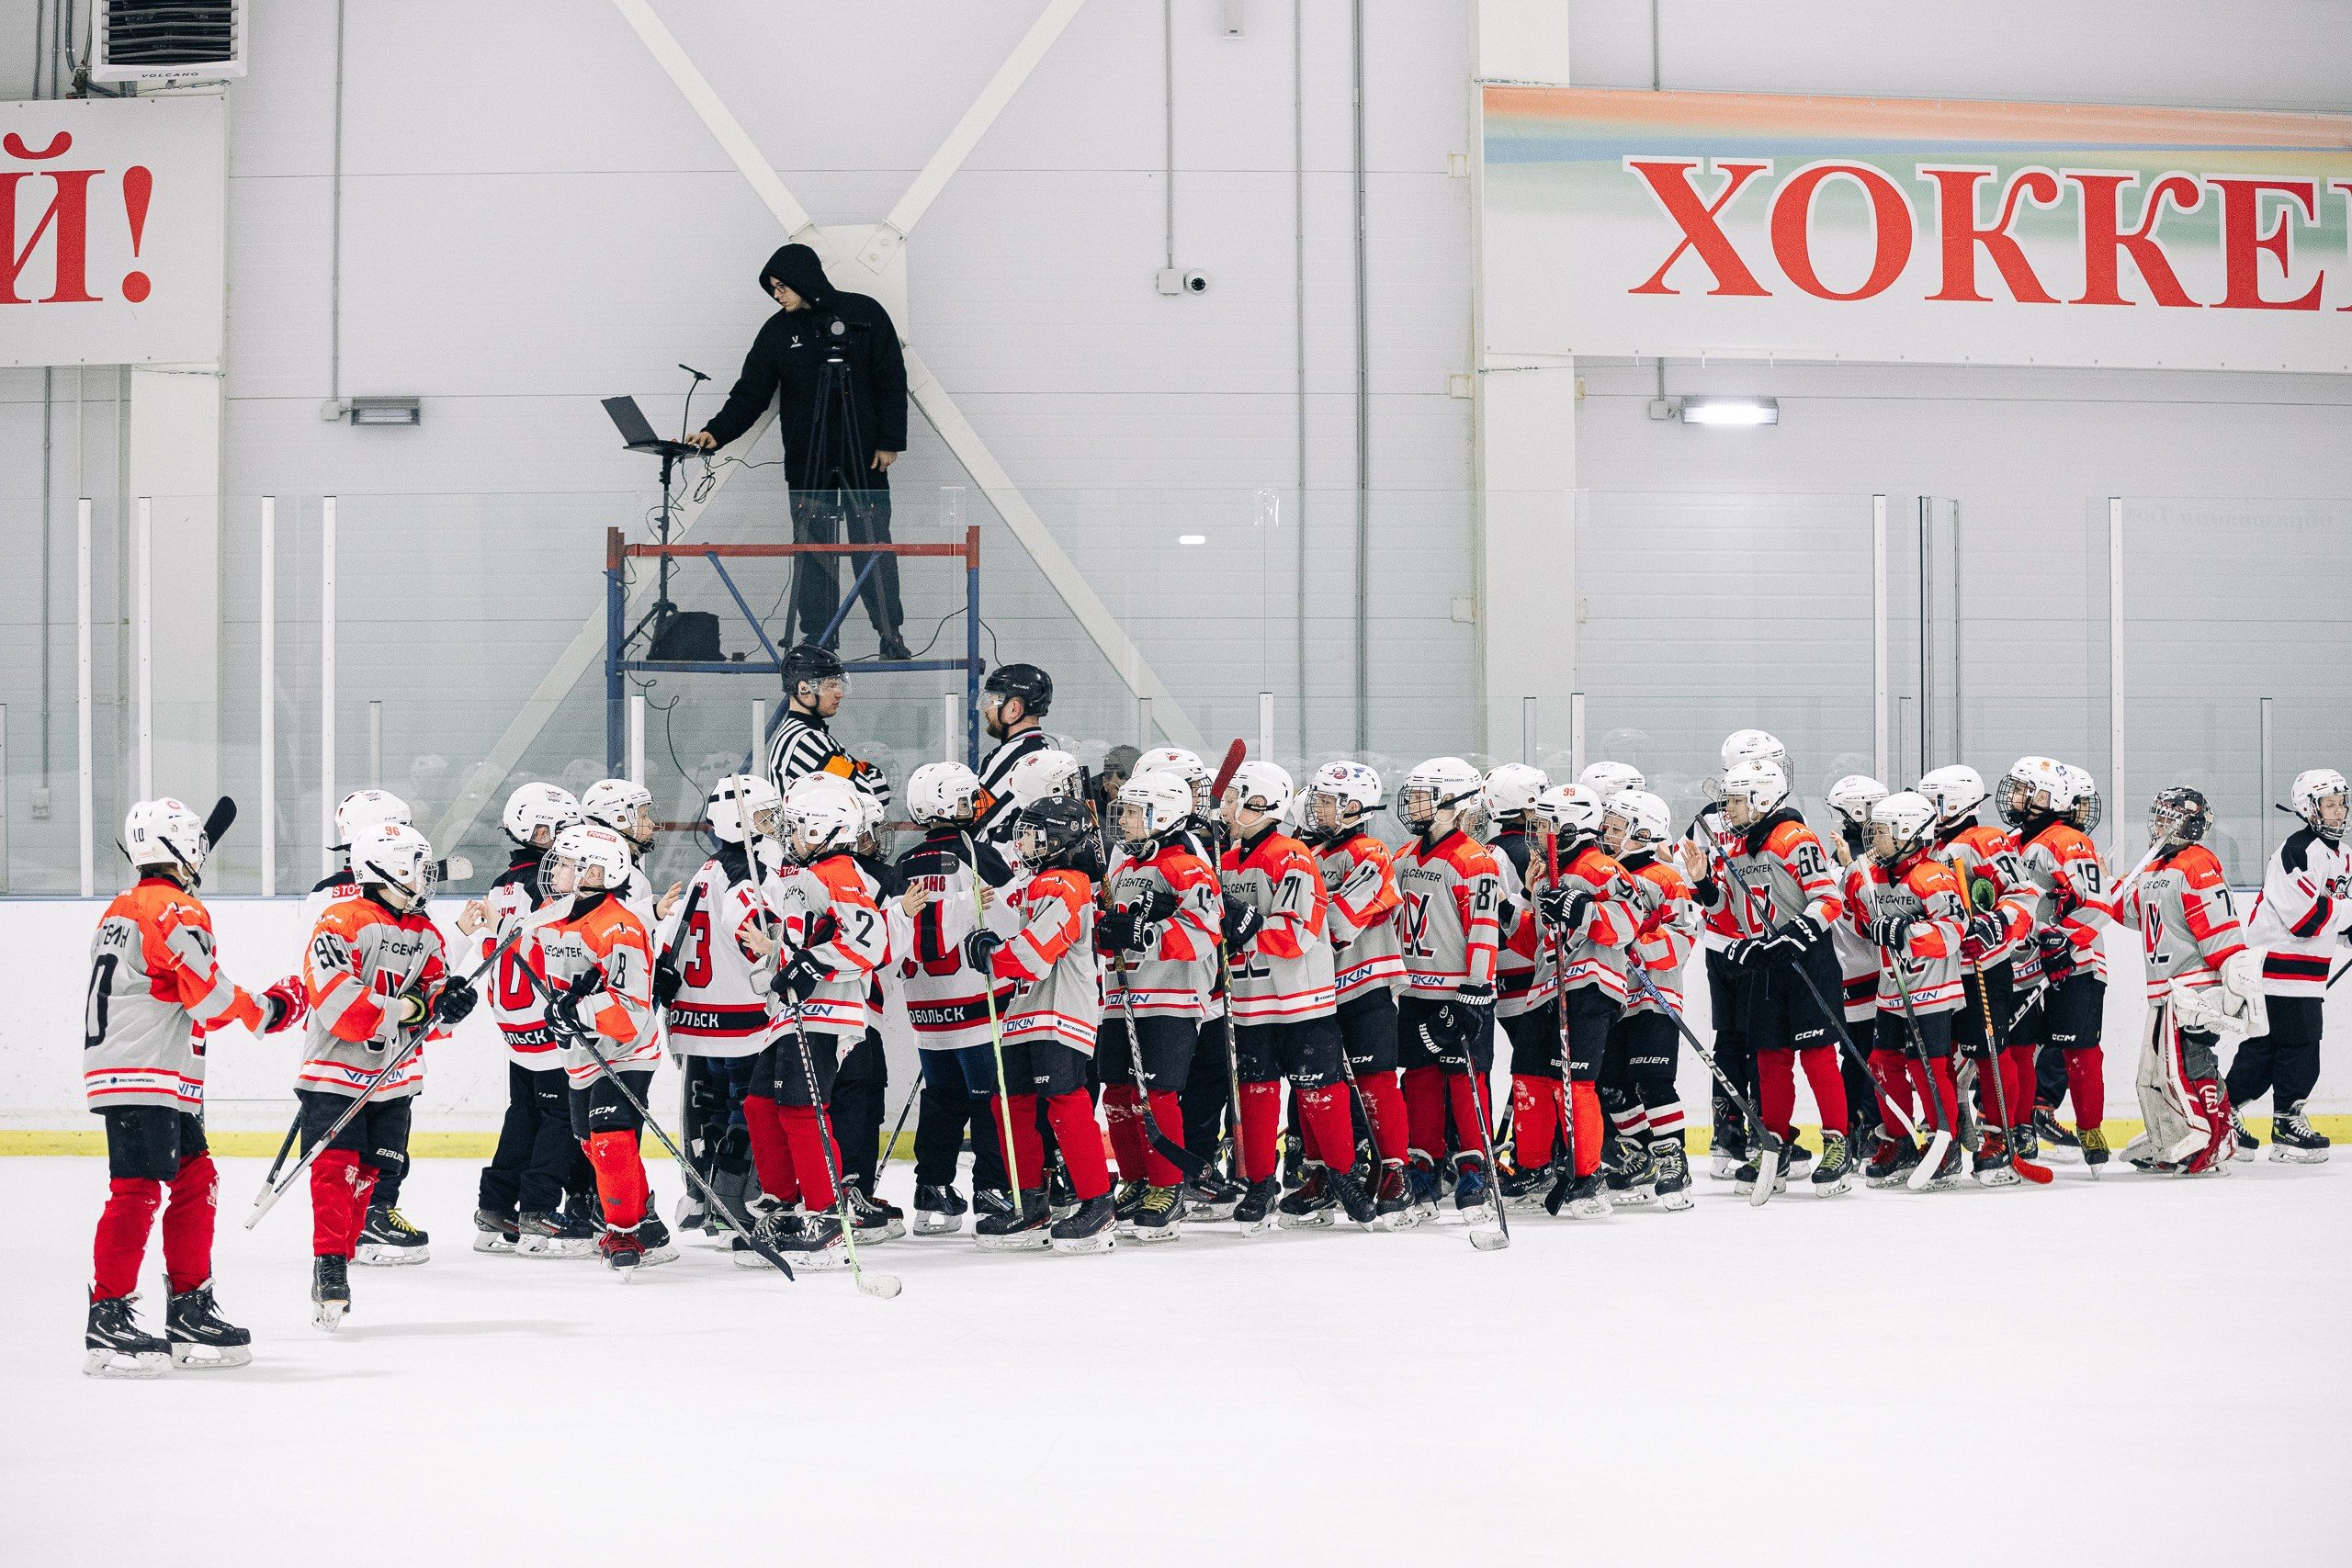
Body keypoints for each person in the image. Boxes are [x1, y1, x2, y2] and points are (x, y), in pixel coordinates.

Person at [82, 798, 300, 1377]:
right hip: (144, 1069)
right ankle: (107, 1319)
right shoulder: (176, 907)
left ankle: (188, 1307)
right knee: (136, 1191)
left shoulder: (127, 906)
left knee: (194, 1177)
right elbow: (204, 993)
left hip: (144, 1068)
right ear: (184, 846)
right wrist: (269, 1010)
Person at [687, 243, 912, 659]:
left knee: (873, 542)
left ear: (802, 279)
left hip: (865, 457)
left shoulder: (864, 312)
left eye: (781, 286)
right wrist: (715, 432)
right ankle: (819, 641)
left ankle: (890, 633)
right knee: (813, 550)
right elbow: (751, 392)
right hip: (808, 460)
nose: (777, 295)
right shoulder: (776, 332)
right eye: (771, 288)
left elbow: (890, 379)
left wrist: (890, 441)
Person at [296, 822, 471, 1325]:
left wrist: (449, 1002)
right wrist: (417, 1008)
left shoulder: (424, 931)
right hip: (335, 1070)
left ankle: (342, 1254)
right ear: (391, 868)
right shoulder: (341, 920)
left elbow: (434, 992)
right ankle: (328, 1263)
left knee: (373, 1173)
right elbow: (339, 1006)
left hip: (394, 1075)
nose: (425, 875)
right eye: (417, 865)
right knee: (336, 1170)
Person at [734, 775, 889, 1270]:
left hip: (828, 1011)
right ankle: (782, 1205)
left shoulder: (839, 869)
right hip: (793, 1011)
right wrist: (773, 950)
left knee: (802, 1109)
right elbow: (797, 945)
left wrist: (810, 962)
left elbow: (870, 943)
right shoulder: (805, 873)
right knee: (761, 1105)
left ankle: (826, 1216)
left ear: (826, 828)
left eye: (798, 827)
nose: (790, 836)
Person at [1215, 763, 1375, 1234]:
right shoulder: (1224, 859)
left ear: (1261, 804)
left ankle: (1344, 1177)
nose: (1227, 806)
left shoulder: (1291, 856)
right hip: (1248, 1000)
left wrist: (1247, 926)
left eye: (1236, 797)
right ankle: (1261, 1183)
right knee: (1255, 1092)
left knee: (1319, 1092)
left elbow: (1298, 930)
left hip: (1300, 1001)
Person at [1687, 757, 1854, 1198]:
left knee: (1817, 1054)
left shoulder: (1794, 838)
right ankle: (1773, 1144)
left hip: (1807, 962)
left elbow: (1827, 898)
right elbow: (1731, 914)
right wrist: (1705, 885)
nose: (1729, 809)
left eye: (1737, 801)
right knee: (1769, 1057)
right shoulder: (1738, 851)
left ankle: (1838, 1142)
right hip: (1767, 967)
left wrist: (1793, 936)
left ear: (1763, 797)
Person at [961, 797, 1120, 1254]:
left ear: (1059, 839)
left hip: (1062, 1009)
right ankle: (1030, 1203)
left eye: (1034, 832)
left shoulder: (1067, 883)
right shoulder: (1041, 883)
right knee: (1007, 1106)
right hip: (1027, 1010)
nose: (1024, 841)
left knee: (1065, 1102)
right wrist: (996, 943)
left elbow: (1036, 952)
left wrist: (994, 954)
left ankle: (1097, 1202)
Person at [528, 824, 675, 1273]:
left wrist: (582, 1009)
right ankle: (645, 1222)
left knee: (611, 1142)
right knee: (592, 1144)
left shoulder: (621, 927)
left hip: (626, 1049)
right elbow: (539, 969)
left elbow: (630, 1009)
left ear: (600, 871)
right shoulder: (551, 918)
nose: (560, 871)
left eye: (571, 864)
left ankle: (624, 1232)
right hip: (580, 1053)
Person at [461, 783, 598, 1257]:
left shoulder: (503, 882)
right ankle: (537, 1211)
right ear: (540, 831)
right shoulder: (550, 883)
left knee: (524, 1112)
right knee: (561, 1115)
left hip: (513, 1019)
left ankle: (495, 1207)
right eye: (562, 830)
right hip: (547, 1015)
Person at [308, 789, 434, 1266]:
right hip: (342, 1048)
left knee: (382, 1154)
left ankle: (376, 1212)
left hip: (391, 1054)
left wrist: (438, 1002)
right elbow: (322, 980)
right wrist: (400, 1009)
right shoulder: (334, 907)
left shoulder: (412, 915)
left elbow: (428, 975)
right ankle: (348, 1238)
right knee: (341, 1160)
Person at [894, 761, 1021, 1234]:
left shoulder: (902, 866)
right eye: (968, 799)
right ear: (952, 804)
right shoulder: (979, 854)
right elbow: (1015, 921)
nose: (975, 807)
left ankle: (931, 1192)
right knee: (990, 1098)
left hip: (925, 1009)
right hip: (976, 1002)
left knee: (942, 1099)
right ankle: (992, 1189)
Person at [662, 775, 787, 1235]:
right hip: (740, 1021)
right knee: (747, 1111)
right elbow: (754, 934)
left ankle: (700, 1198)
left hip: (695, 1019)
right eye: (763, 816)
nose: (772, 824)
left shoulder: (706, 870)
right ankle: (734, 1209)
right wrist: (780, 943)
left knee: (707, 1113)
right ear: (739, 821)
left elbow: (670, 940)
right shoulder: (745, 872)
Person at [1100, 768, 1222, 1240]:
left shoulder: (1185, 864)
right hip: (1122, 993)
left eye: (1133, 811)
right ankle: (1133, 1179)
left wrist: (1144, 934)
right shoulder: (1125, 867)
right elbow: (1110, 926)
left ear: (1163, 814)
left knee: (1157, 1093)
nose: (1124, 820)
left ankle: (1167, 1186)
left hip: (1171, 995)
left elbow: (1205, 930)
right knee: (1117, 1092)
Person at [2117, 788, 2262, 1176]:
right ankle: (2169, 1136)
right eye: (2158, 815)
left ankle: (2217, 1136)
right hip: (2164, 989)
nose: (2158, 824)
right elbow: (2131, 911)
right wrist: (2099, 890)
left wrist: (2230, 982)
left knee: (2187, 1066)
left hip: (2193, 988)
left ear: (2188, 824)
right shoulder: (2155, 867)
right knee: (2153, 1074)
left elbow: (2222, 928)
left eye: (2168, 817)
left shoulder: (2196, 863)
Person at [1391, 756, 1506, 1221]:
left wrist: (1476, 989)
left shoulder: (1474, 861)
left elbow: (1483, 928)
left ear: (1453, 804)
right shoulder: (1403, 856)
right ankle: (1423, 1167)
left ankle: (1475, 1167)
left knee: (1466, 1081)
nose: (1415, 804)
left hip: (1460, 994)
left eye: (1424, 795)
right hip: (1413, 994)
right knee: (1417, 1080)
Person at [1304, 761, 1415, 1228]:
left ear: (1354, 808)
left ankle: (1394, 1171)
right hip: (1312, 988)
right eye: (1319, 798)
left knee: (1375, 1080)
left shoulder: (1372, 853)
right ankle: (1322, 1174)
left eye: (1329, 800)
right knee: (1314, 1084)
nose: (1318, 808)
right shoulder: (1306, 850)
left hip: (1364, 983)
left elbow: (1338, 923)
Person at [1918, 764, 2040, 1177]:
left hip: (1982, 966)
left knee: (1989, 1052)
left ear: (1954, 802)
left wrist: (1995, 925)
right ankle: (1946, 1134)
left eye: (1933, 799)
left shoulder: (1985, 841)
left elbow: (2023, 895)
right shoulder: (1925, 845)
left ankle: (2001, 1134)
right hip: (1939, 969)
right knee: (1938, 1055)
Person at [1848, 793, 1969, 1190]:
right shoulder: (1873, 875)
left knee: (1927, 1067)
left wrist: (1904, 931)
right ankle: (1898, 1140)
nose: (1874, 839)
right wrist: (1871, 925)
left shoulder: (1932, 875)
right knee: (1882, 1062)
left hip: (1931, 986)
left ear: (1907, 833)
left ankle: (1944, 1144)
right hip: (1891, 987)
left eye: (1882, 831)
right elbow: (1864, 920)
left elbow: (1953, 931)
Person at [2004, 757, 2118, 1167]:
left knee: (2079, 1049)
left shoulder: (2067, 840)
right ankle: (2021, 1128)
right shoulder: (2012, 843)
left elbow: (2097, 904)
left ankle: (2090, 1128)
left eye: (2024, 790)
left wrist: (2062, 941)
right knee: (2020, 1048)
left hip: (2077, 965)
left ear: (2050, 799)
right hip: (2026, 965)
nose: (2015, 798)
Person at [2230, 767, 2346, 1161]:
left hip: (2303, 977)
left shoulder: (2342, 855)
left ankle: (2242, 1116)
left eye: (2341, 803)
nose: (2338, 811)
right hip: (2278, 972)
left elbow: (2336, 917)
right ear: (2308, 808)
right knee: (2286, 1050)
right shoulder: (2296, 850)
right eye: (2328, 804)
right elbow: (2306, 919)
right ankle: (2269, 1122)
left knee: (2278, 1050)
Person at [1598, 789, 1701, 1211]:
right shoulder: (1606, 873)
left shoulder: (1666, 877)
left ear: (1642, 832)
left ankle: (1674, 1160)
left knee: (1653, 1082)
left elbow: (1684, 936)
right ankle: (1642, 1155)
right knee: (1612, 1086)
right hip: (1615, 996)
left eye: (1617, 826)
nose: (1606, 831)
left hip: (1654, 997)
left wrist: (1635, 944)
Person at [766, 643, 891, 813]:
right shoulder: (805, 741)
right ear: (804, 689)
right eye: (831, 686)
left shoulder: (807, 736)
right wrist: (865, 774)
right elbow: (872, 798)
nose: (839, 693)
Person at [974, 662, 1057, 817]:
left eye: (992, 701)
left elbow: (976, 814)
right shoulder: (1044, 751)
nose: (986, 709)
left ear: (1014, 709)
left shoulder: (1014, 757)